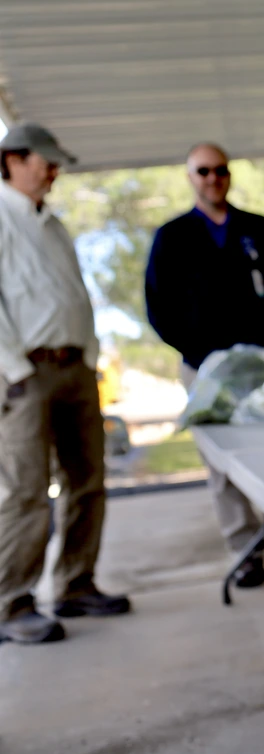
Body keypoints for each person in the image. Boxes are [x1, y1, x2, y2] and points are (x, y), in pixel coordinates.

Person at [145, 143, 264, 588]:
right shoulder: (171, 237)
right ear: (190, 176)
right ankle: (246, 548)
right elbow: (158, 307)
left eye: (221, 171)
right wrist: (201, 354)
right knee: (223, 461)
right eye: (204, 171)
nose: (214, 178)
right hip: (204, 369)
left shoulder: (258, 229)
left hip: (262, 365)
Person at [0, 123, 131, 644]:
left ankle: (76, 585)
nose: (53, 170)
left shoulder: (53, 226)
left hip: (75, 369)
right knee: (27, 490)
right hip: (24, 374)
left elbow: (76, 293)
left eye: (56, 162)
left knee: (88, 480)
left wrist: (92, 358)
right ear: (12, 159)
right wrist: (15, 372)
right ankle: (11, 603)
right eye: (44, 161)